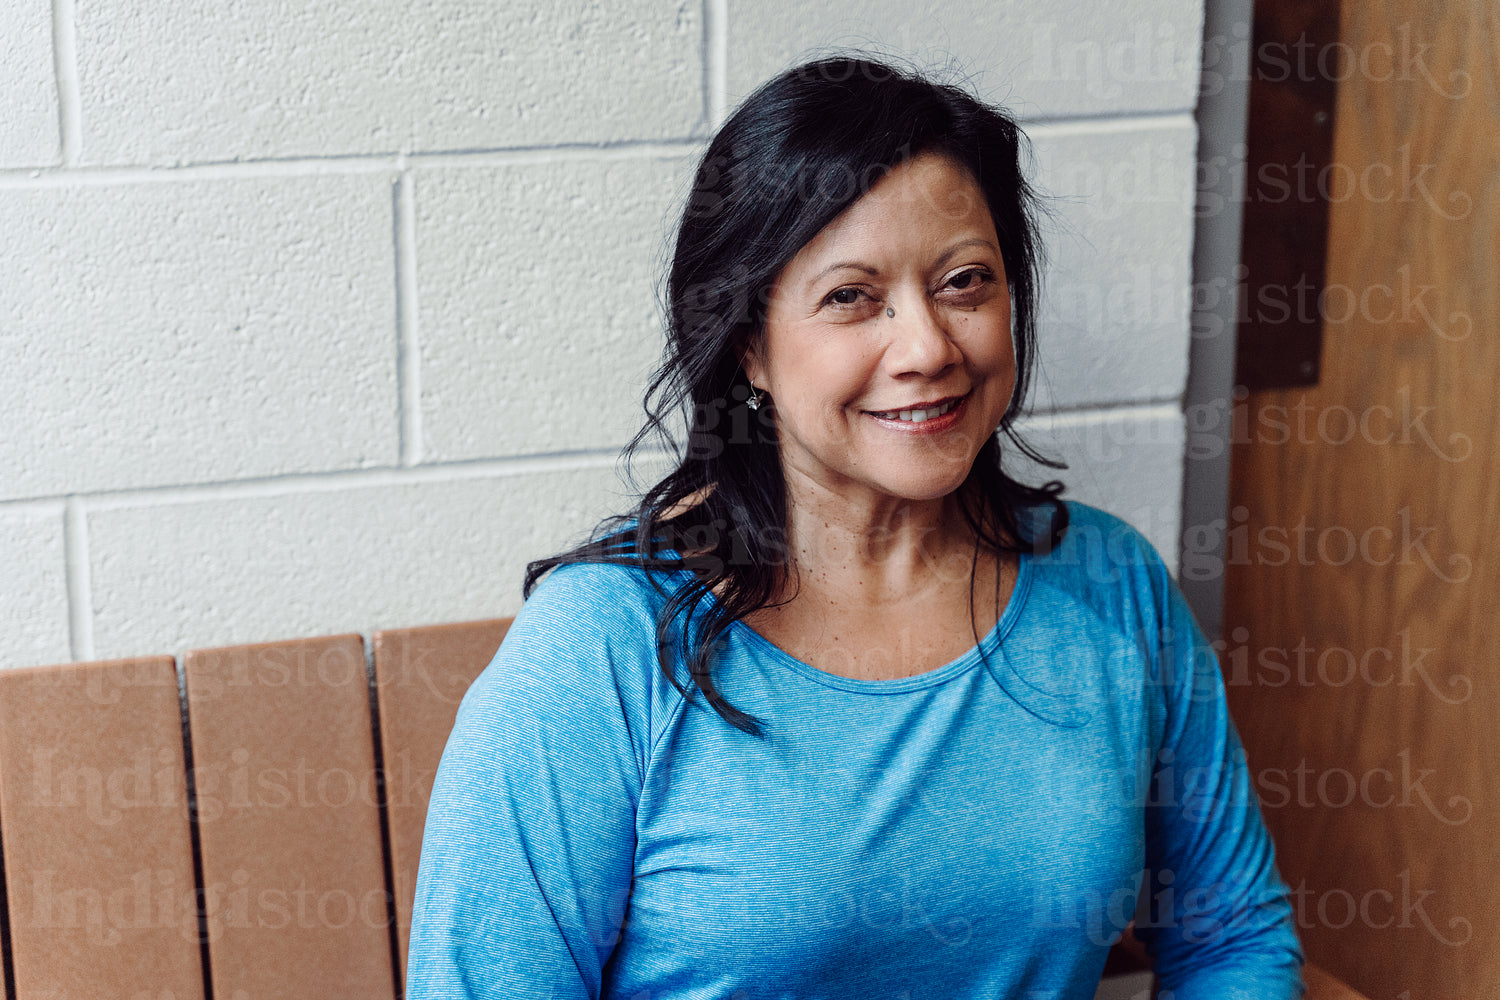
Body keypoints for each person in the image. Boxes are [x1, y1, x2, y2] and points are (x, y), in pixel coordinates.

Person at [405, 56, 1304, 999]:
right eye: (850, 297)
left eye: (965, 281)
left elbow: (1231, 941)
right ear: (748, 342)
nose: (927, 347)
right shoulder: (600, 649)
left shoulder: (1112, 585)